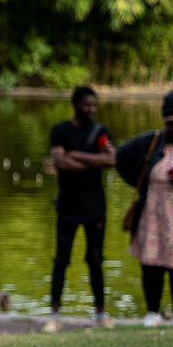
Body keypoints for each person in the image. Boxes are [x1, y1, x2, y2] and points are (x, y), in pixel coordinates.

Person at [116, 90, 173, 327]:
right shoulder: (153, 141)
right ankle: (152, 311)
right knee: (151, 264)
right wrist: (139, 182)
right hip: (152, 216)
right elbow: (121, 156)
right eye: (169, 123)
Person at [43, 86, 116, 332]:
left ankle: (100, 314)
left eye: (94, 105)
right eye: (86, 105)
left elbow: (112, 159)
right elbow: (59, 161)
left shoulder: (100, 132)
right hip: (67, 206)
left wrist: (76, 155)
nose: (91, 109)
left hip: (95, 207)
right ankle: (54, 314)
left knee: (95, 259)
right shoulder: (60, 131)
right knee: (61, 260)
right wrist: (93, 161)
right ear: (75, 104)